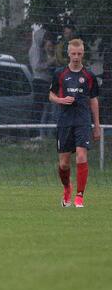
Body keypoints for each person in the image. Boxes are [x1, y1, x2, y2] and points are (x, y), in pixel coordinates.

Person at [49, 39, 100, 208]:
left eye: (79, 54)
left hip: (82, 120)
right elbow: (51, 95)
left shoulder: (89, 76)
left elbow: (93, 101)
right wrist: (61, 100)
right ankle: (67, 188)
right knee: (63, 163)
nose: (76, 57)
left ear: (83, 54)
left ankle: (80, 195)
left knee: (81, 155)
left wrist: (97, 126)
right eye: (73, 53)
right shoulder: (59, 73)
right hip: (64, 121)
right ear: (68, 53)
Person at [29, 23, 52, 139]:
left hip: (44, 80)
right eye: (44, 37)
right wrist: (49, 63)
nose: (46, 40)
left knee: (44, 107)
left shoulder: (41, 49)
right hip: (39, 81)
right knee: (39, 107)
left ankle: (41, 132)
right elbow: (37, 66)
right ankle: (35, 133)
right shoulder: (35, 49)